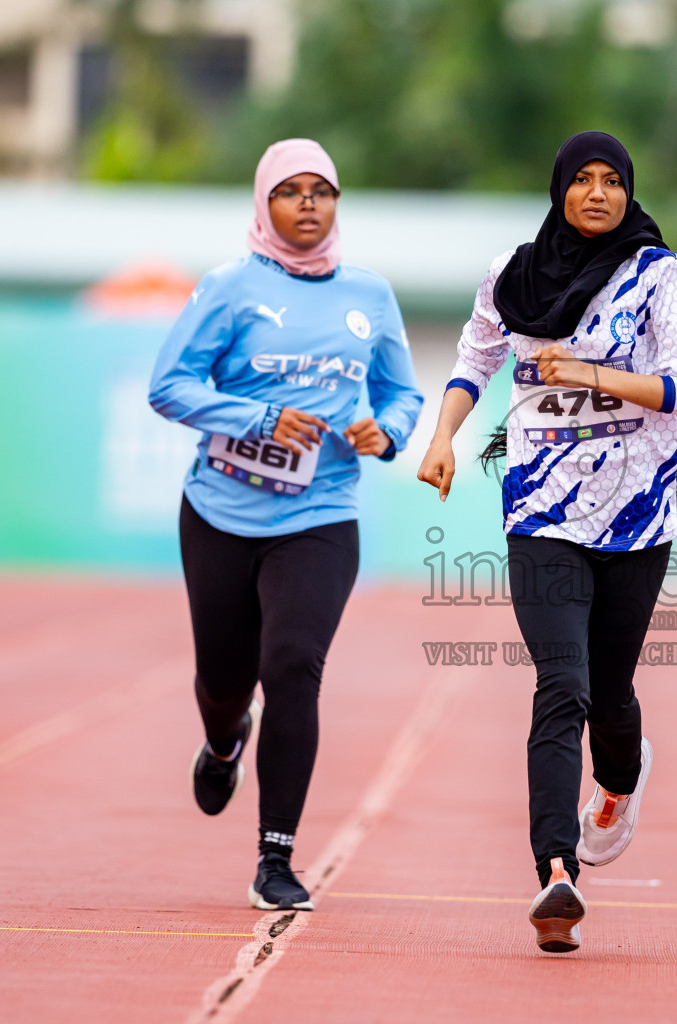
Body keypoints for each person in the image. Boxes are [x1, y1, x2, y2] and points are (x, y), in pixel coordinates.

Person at [416, 130, 677, 952]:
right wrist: (442, 438)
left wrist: (593, 375)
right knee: (562, 684)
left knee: (610, 696)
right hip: (541, 515)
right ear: (557, 189)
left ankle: (619, 782)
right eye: (580, 179)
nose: (596, 193)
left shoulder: (661, 276)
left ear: (628, 193)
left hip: (634, 521)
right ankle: (556, 872)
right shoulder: (514, 275)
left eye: (611, 180)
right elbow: (475, 360)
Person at [149, 138, 423, 911]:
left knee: (295, 665)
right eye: (291, 191)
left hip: (322, 513)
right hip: (221, 511)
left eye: (323, 191)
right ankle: (223, 737)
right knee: (226, 680)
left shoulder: (370, 296)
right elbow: (168, 386)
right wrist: (260, 415)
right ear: (264, 204)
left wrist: (388, 433)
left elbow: (402, 394)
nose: (309, 203)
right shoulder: (230, 289)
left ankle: (276, 858)